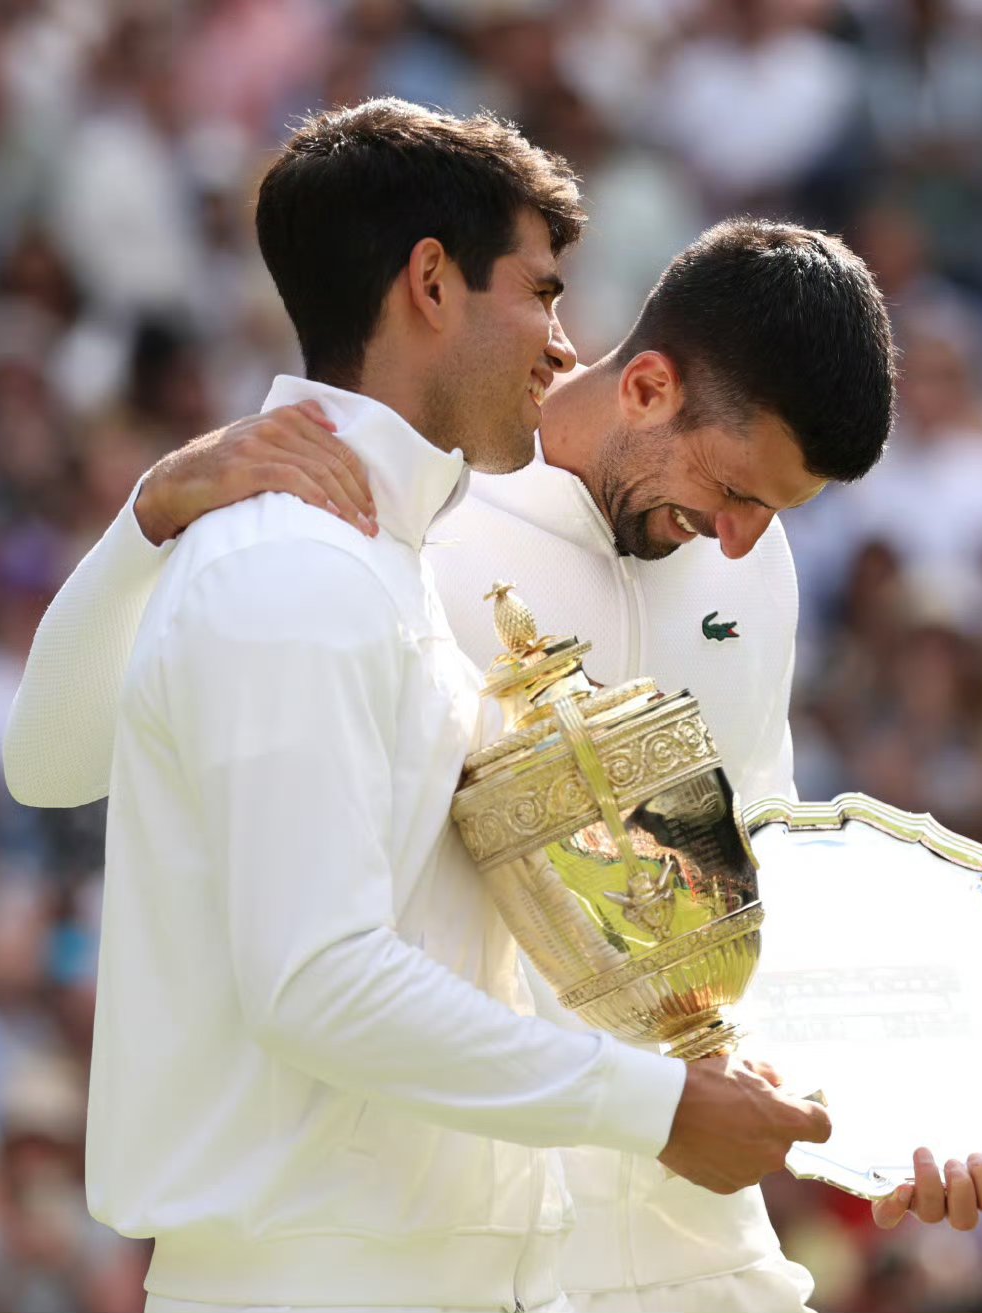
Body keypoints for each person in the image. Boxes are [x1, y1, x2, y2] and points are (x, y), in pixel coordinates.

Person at [8, 211, 982, 1308]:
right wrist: (149, 513)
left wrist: (907, 1108)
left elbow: (750, 893)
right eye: (737, 491)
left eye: (777, 512)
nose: (742, 538)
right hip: (445, 1248)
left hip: (696, 1242)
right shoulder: (374, 518)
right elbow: (50, 761)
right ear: (646, 387)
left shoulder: (749, 567)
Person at [57, 98, 834, 1313]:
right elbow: (314, 979)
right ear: (431, 281)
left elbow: (742, 892)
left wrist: (883, 1109)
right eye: (540, 290)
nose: (557, 340)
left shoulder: (383, 558)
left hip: (536, 1269)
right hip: (314, 1278)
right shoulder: (293, 564)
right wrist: (150, 511)